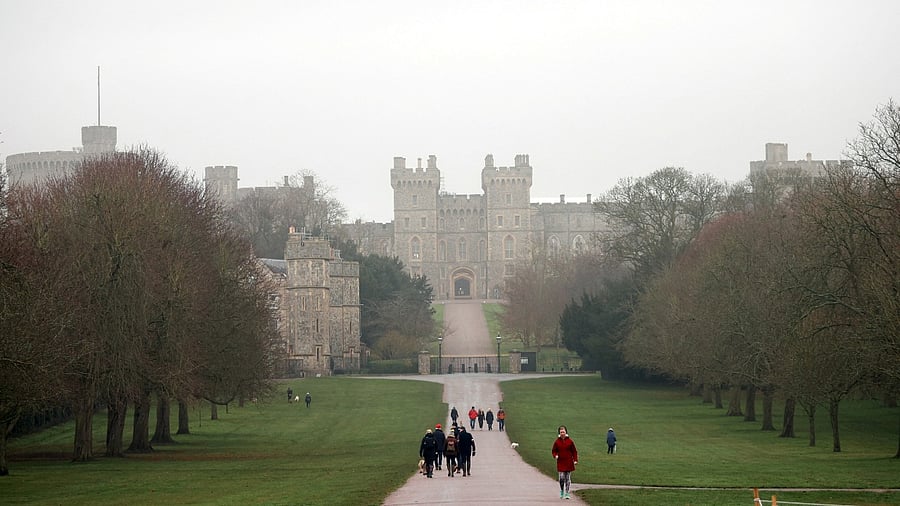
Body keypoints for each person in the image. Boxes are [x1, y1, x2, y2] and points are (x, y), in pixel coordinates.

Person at [551, 425, 578, 500]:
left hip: (569, 462)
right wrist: (555, 455)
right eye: (561, 432)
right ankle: (562, 490)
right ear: (559, 433)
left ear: (566, 432)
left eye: (563, 432)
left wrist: (575, 460)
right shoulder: (557, 442)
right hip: (561, 462)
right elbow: (554, 450)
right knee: (561, 478)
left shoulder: (570, 441)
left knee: (567, 478)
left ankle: (567, 492)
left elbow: (574, 451)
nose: (562, 433)